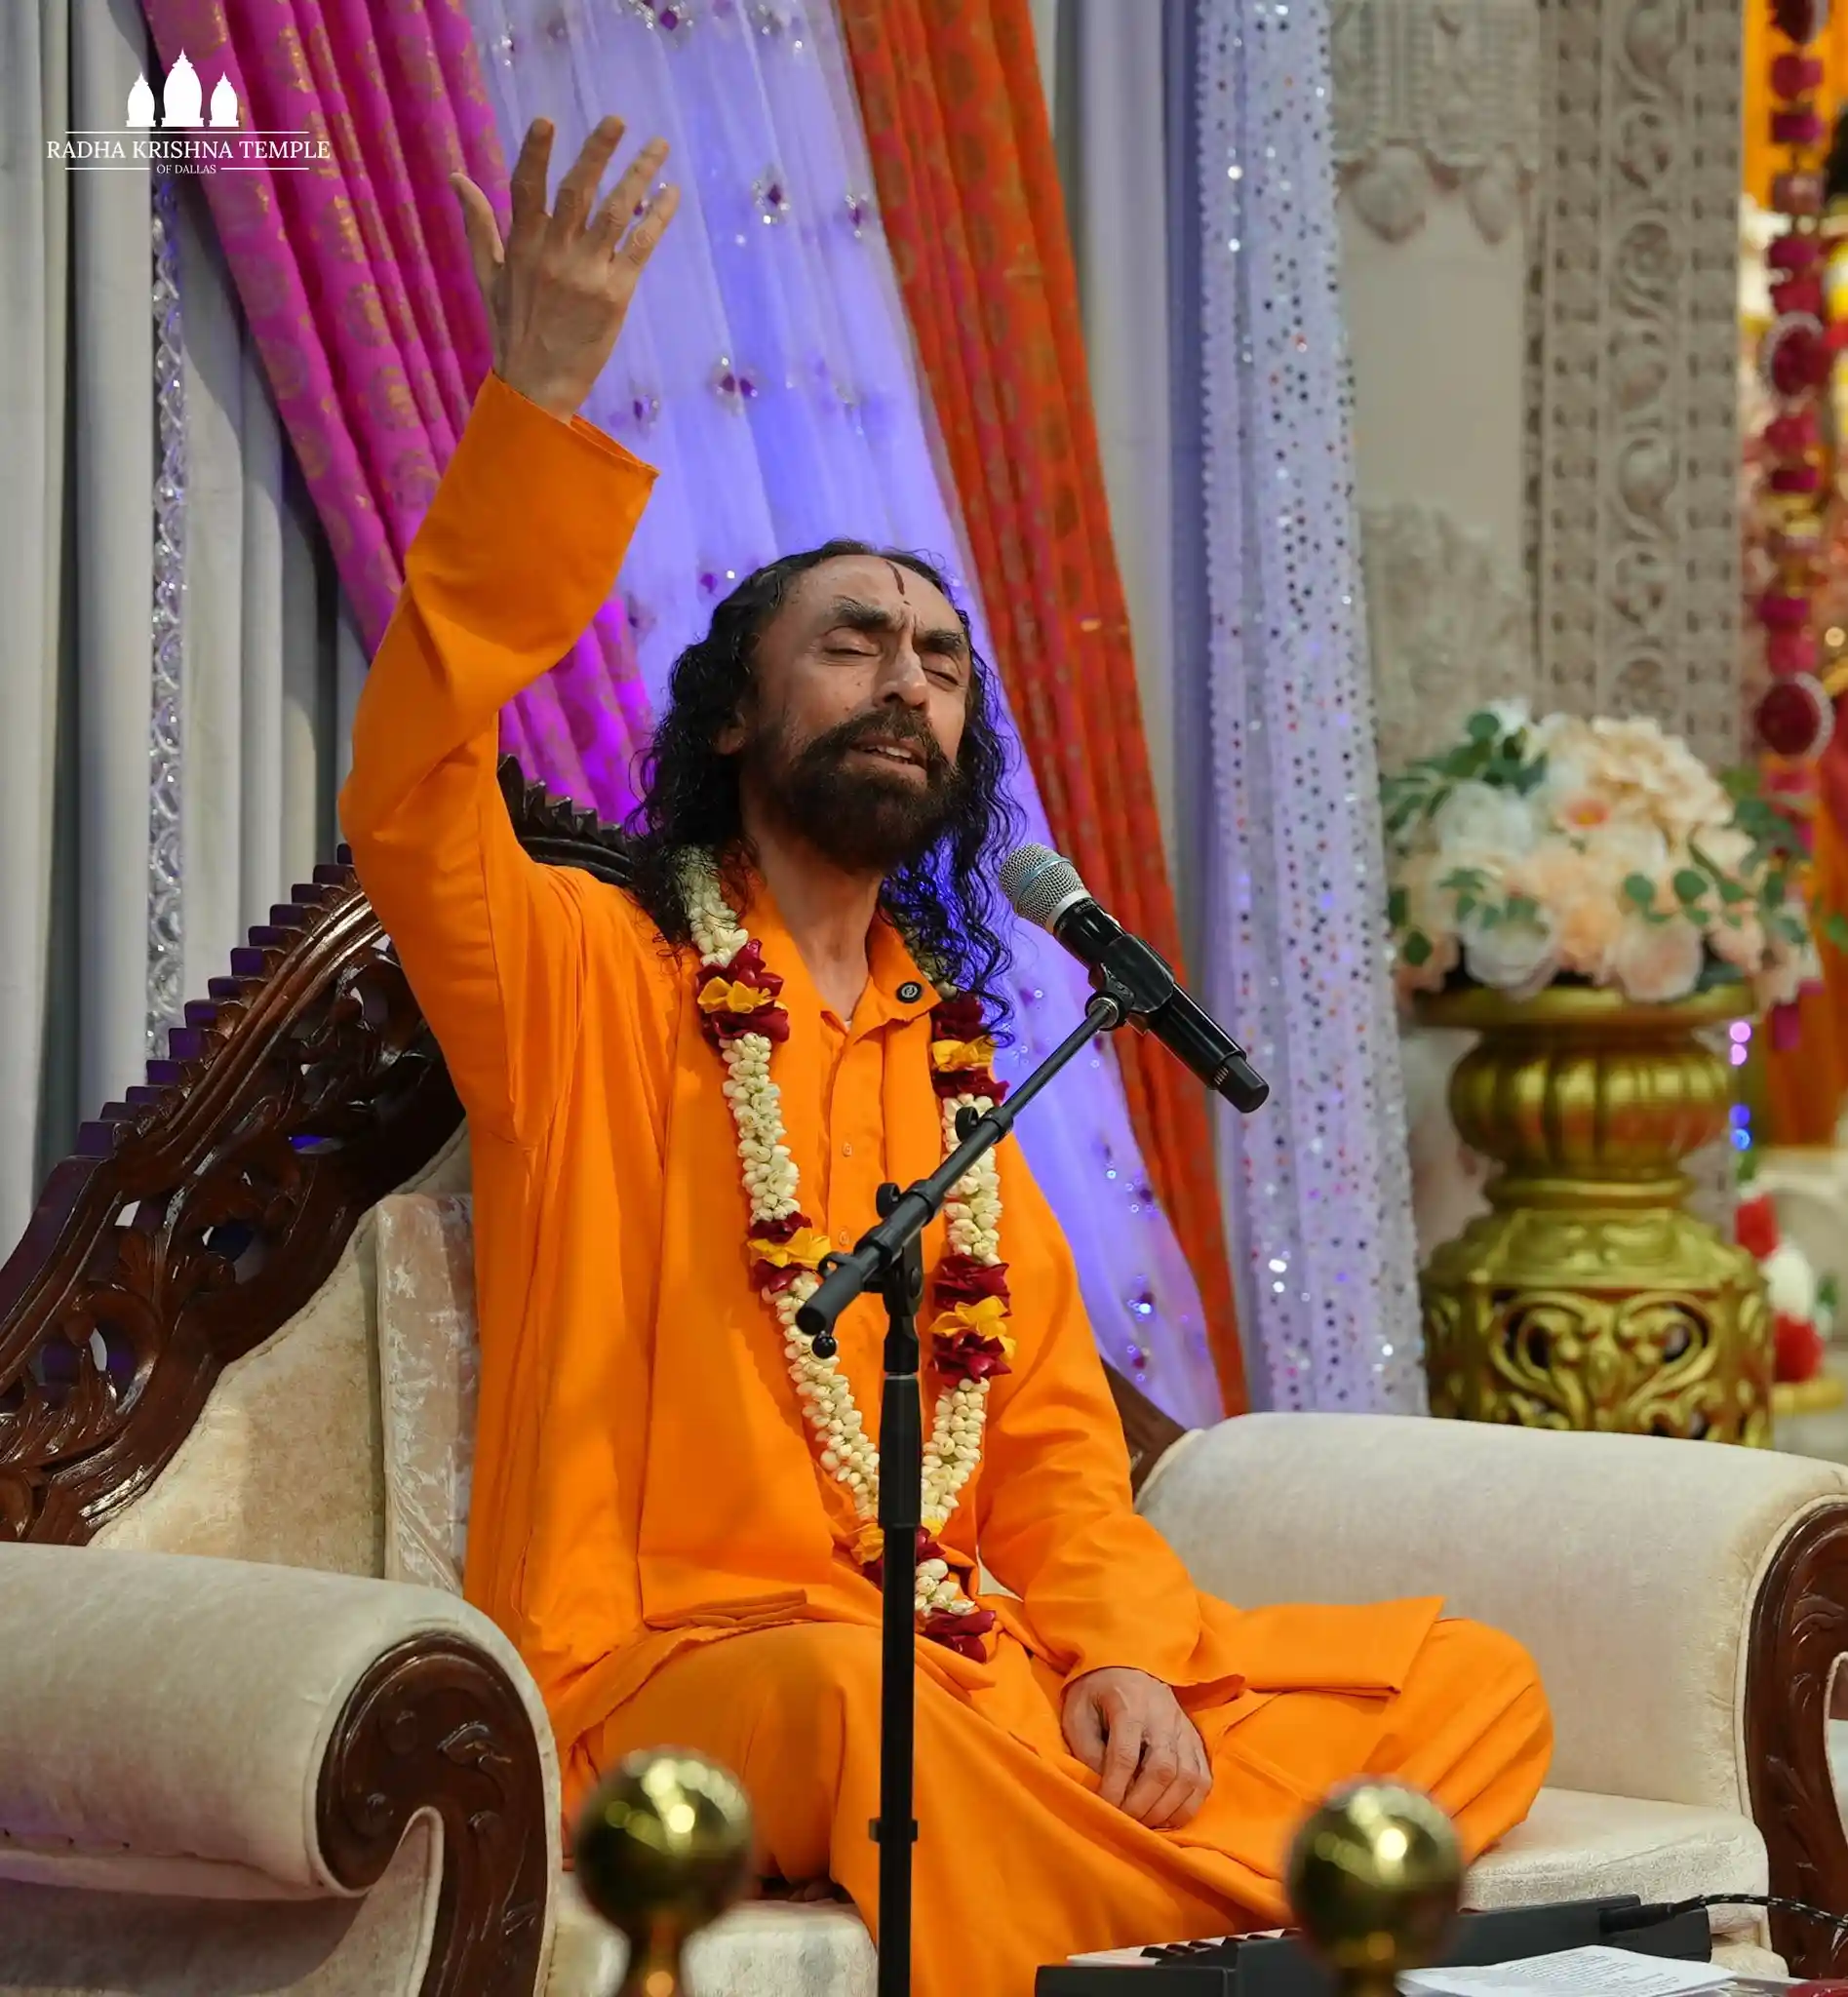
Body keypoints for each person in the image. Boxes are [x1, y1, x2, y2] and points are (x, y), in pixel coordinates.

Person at [341, 115, 1551, 1995]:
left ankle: (1127, 1896)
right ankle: (1203, 1912)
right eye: (853, 643)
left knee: (1470, 1683)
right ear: (734, 718)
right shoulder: (585, 972)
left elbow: (1052, 1443)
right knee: (869, 1713)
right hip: (679, 1672)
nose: (908, 677)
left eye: (941, 659)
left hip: (969, 1652)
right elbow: (413, 788)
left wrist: (1120, 1658)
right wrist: (541, 402)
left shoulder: (963, 1068)